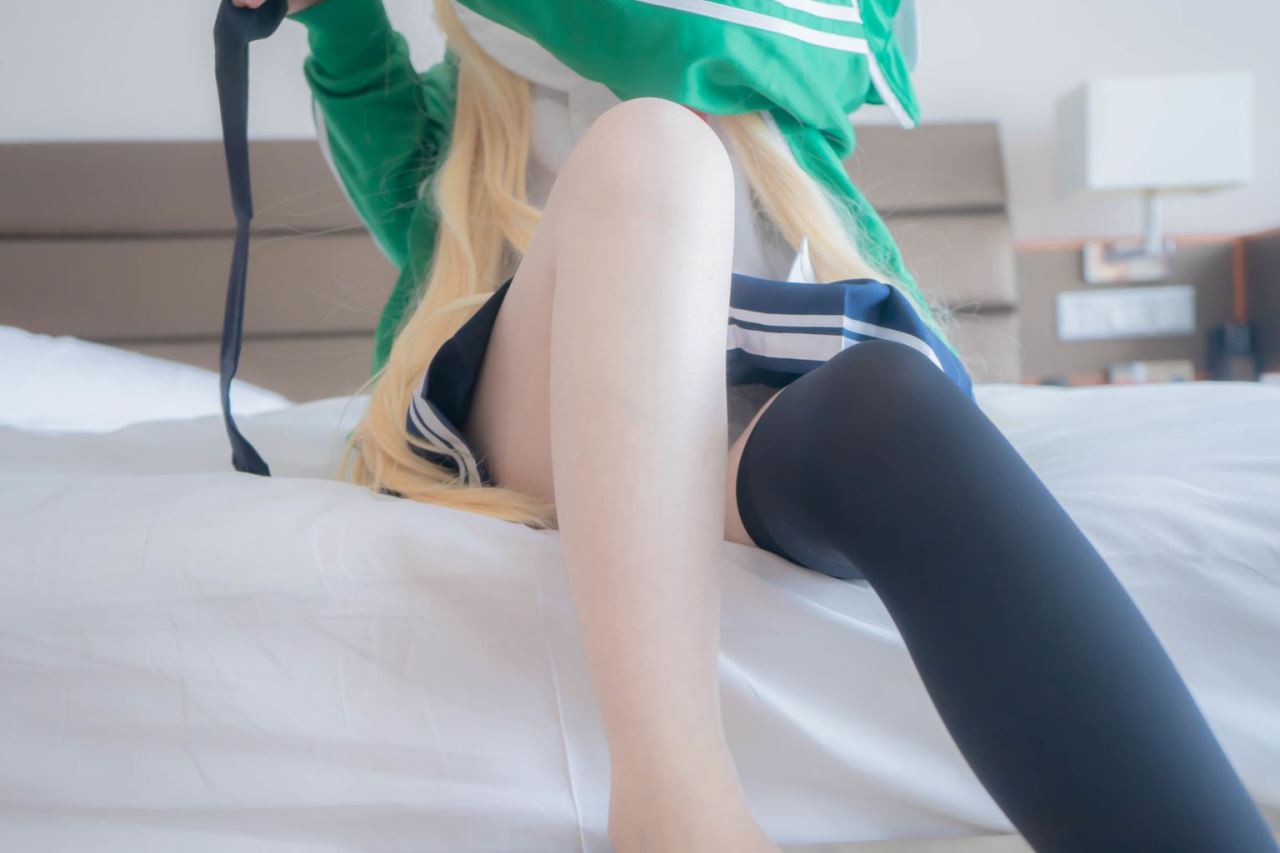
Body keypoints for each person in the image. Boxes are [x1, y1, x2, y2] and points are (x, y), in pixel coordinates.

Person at [233, 0, 1278, 850]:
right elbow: (408, 193)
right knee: (654, 148)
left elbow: (755, 44)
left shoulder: (787, 31)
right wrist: (337, 17)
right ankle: (671, 799)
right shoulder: (480, 71)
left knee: (887, 408)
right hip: (538, 397)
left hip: (750, 377)